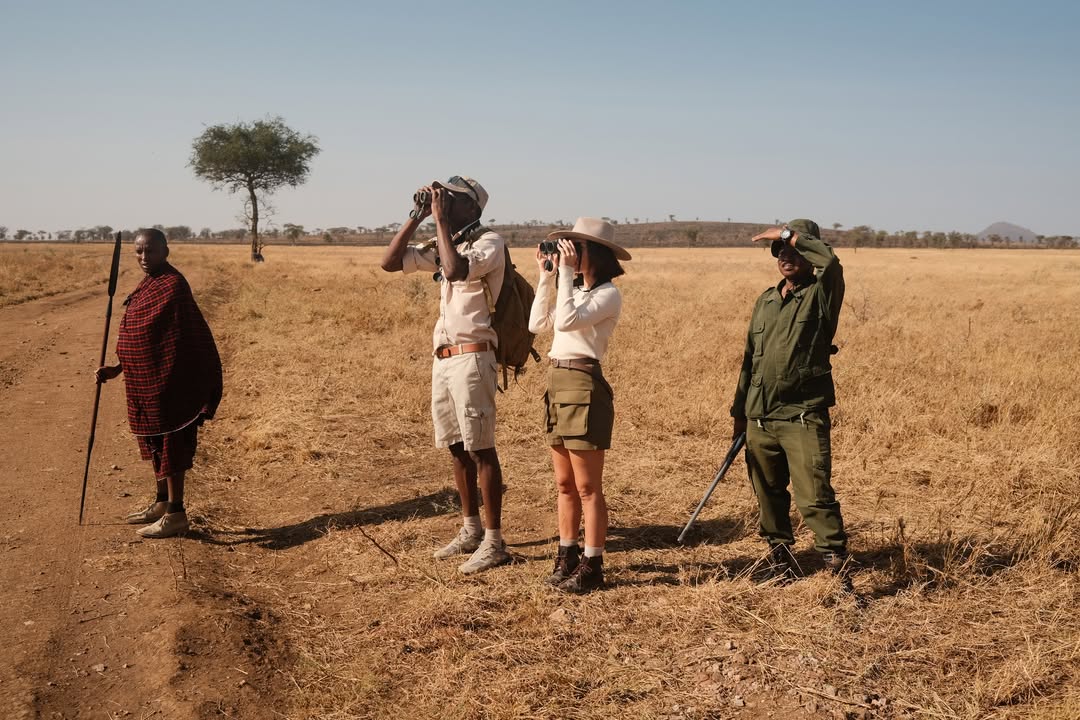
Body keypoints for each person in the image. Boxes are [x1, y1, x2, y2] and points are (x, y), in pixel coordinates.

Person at [380, 176, 511, 575]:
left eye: (451, 199)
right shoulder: (445, 241)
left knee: (481, 448)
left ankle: (494, 542)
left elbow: (454, 271)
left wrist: (438, 220)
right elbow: (390, 262)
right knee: (456, 446)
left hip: (474, 357)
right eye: (442, 198)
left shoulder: (489, 242)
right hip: (445, 357)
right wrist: (417, 216)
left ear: (472, 207)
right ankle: (470, 529)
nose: (444, 203)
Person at [730, 219, 849, 580]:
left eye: (794, 250)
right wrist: (740, 415)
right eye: (780, 251)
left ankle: (838, 573)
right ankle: (780, 561)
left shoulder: (821, 294)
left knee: (814, 495)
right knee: (768, 493)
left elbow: (831, 262)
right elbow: (750, 360)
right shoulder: (766, 300)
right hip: (760, 417)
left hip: (802, 416)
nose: (786, 256)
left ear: (809, 254)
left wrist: (787, 234)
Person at [95, 228, 222, 538]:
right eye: (138, 251)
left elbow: (174, 339)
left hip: (171, 382)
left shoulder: (173, 285)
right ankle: (162, 502)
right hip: (146, 380)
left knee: (170, 444)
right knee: (155, 443)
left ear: (165, 251)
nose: (143, 257)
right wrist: (117, 369)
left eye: (150, 251)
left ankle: (176, 514)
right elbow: (143, 337)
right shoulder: (149, 282)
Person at [528, 217, 630, 593]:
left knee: (588, 487)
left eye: (576, 247)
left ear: (596, 253)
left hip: (584, 385)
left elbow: (568, 322)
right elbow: (537, 323)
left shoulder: (608, 294)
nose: (568, 252)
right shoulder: (574, 290)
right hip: (557, 382)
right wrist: (547, 277)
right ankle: (567, 554)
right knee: (564, 484)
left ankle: (593, 563)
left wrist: (566, 273)